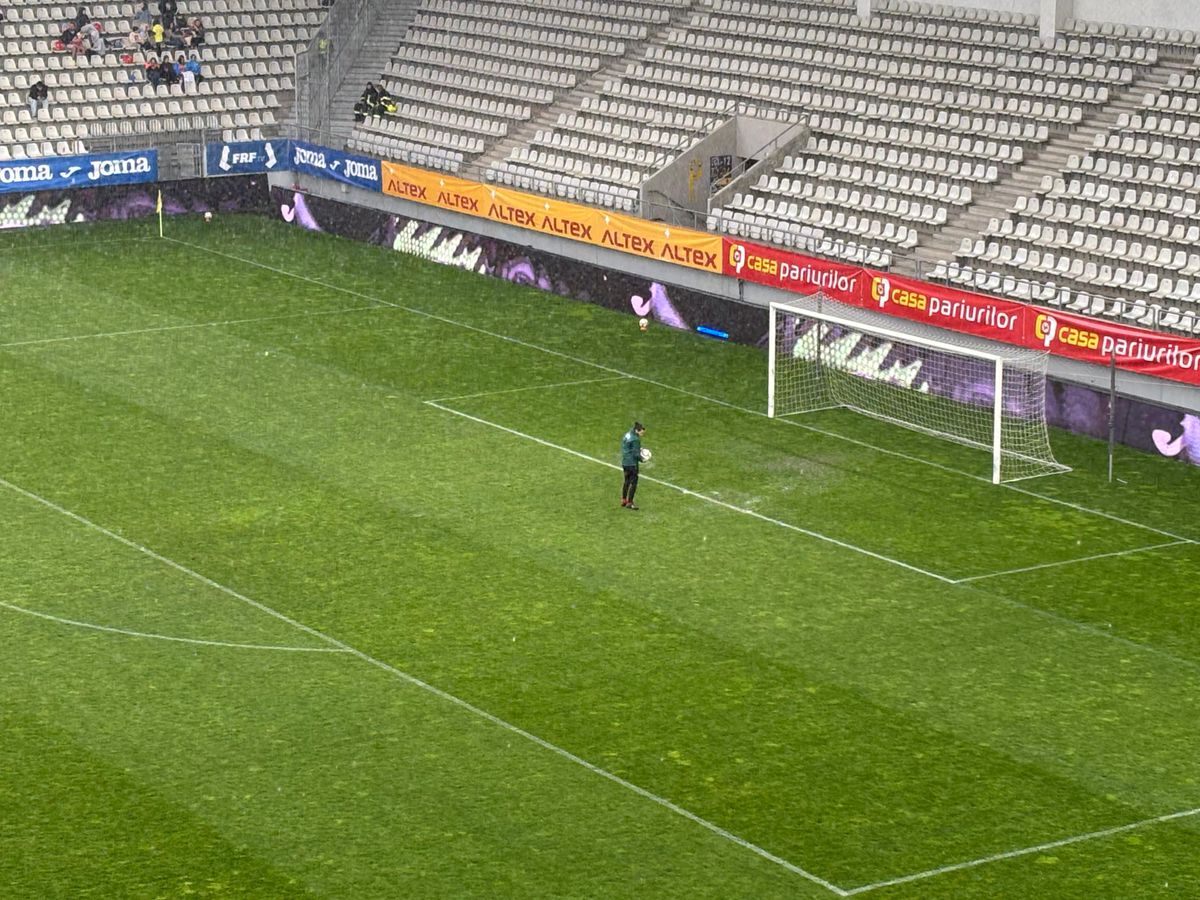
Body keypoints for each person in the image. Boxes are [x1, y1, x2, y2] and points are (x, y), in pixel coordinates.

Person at [619, 421, 646, 509]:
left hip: (625, 462)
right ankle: (630, 503)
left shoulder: (628, 434)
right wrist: (642, 459)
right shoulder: (635, 439)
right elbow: (636, 454)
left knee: (626, 481)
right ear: (637, 431)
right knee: (633, 483)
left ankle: (623, 500)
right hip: (632, 464)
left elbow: (628, 446)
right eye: (641, 432)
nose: (642, 434)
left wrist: (638, 448)